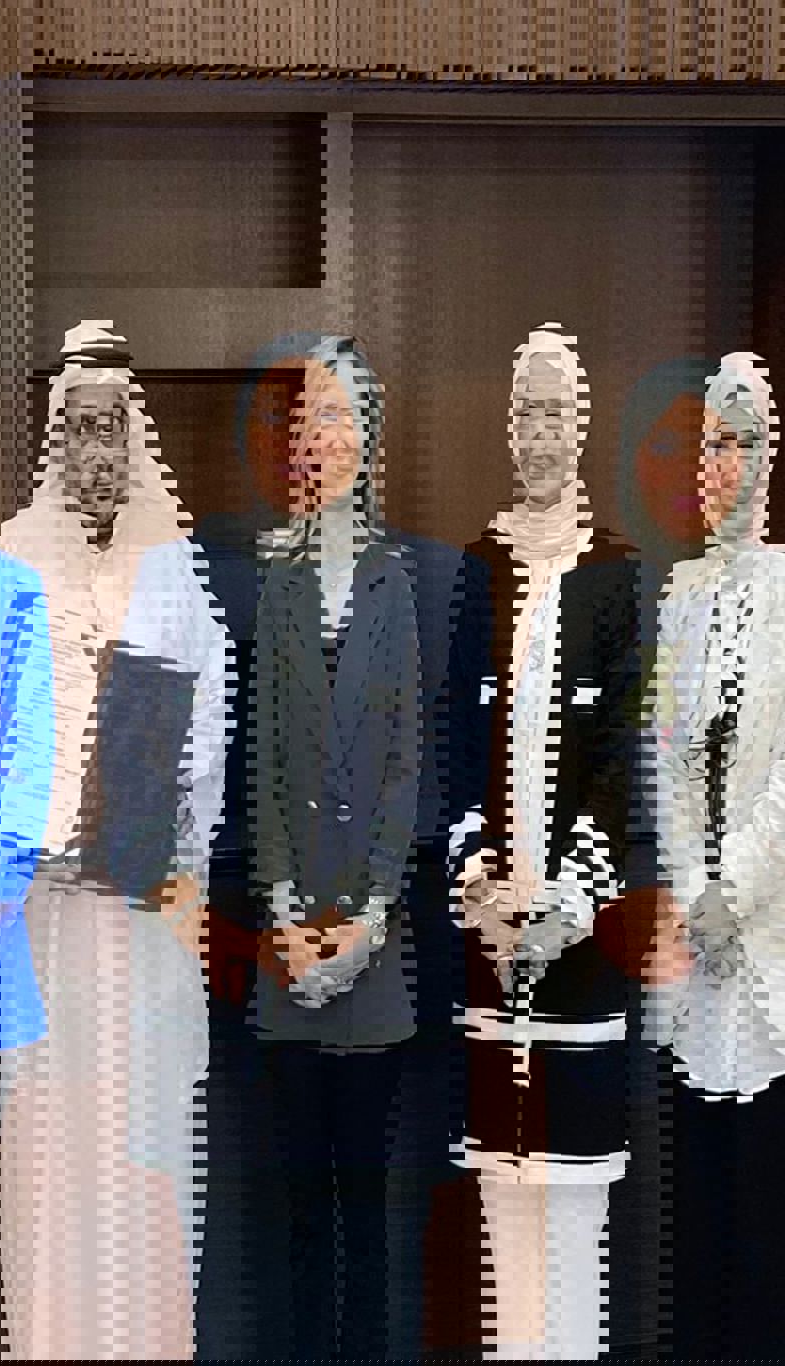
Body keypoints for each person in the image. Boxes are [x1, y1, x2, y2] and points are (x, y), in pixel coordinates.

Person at [0, 320, 230, 1358]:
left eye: (112, 425)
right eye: (77, 426)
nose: (95, 446)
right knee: (51, 1142)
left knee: (142, 1137)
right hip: (45, 919)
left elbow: (208, 734)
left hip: (144, 917)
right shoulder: (12, 559)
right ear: (54, 438)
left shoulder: (174, 567)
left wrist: (167, 843)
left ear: (134, 434)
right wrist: (12, 839)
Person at [446, 326, 650, 1359]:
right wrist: (475, 882)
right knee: (501, 1208)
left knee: (572, 1219)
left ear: (582, 427)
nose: (536, 432)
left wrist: (570, 901)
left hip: (580, 955)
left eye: (554, 413)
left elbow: (622, 760)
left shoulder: (618, 576)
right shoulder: (472, 571)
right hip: (488, 953)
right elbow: (452, 744)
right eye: (523, 411)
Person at [245, 335, 424, 1359]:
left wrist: (365, 920)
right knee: (297, 1224)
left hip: (371, 954)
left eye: (341, 412)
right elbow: (264, 758)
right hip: (286, 953)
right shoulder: (274, 583)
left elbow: (404, 766)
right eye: (311, 415)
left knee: (366, 1217)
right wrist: (281, 911)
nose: (326, 433)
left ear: (368, 433)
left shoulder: (397, 583)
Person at [647, 352, 785, 1360]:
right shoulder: (678, 594)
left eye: (739, 443)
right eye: (709, 445)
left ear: (767, 457)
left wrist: (733, 888)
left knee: (761, 1222)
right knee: (692, 1219)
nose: (722, 464)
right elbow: (660, 755)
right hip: (693, 952)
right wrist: (695, 889)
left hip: (769, 949)